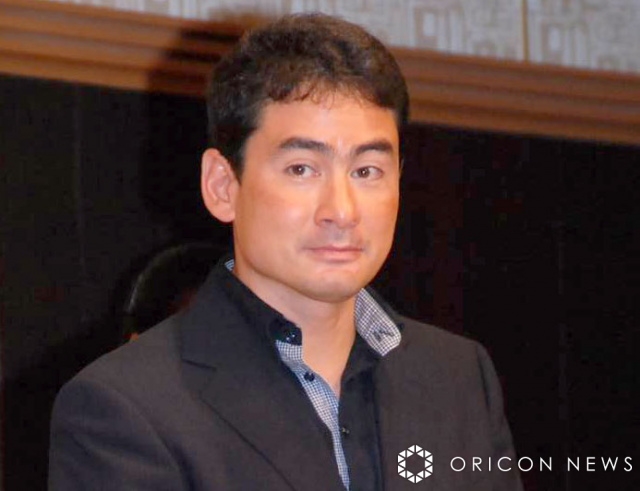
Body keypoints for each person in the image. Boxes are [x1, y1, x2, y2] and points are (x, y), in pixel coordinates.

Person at [49, 13, 523, 491]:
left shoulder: (459, 377)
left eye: (367, 171)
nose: (342, 211)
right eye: (302, 169)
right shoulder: (126, 406)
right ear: (222, 186)